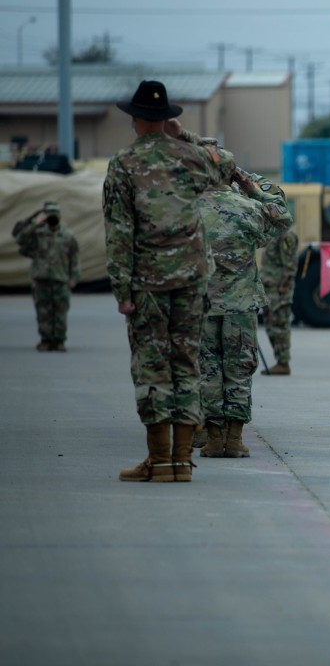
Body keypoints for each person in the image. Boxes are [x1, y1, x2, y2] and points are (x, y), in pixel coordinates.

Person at [105, 80, 218, 482]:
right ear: (167, 118)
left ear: (135, 119)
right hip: (191, 280)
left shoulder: (123, 163)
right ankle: (183, 462)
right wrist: (182, 136)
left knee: (152, 368)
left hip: (147, 284)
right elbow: (223, 169)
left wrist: (122, 289)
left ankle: (160, 459)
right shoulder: (191, 157)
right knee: (186, 364)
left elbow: (119, 230)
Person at [196, 147, 292, 458]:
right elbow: (283, 218)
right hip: (241, 305)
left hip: (203, 304)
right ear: (231, 174)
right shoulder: (246, 208)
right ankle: (234, 439)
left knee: (208, 368)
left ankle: (212, 438)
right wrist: (252, 189)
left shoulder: (190, 209)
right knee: (238, 368)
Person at [13, 200, 79, 352]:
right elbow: (20, 240)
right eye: (49, 214)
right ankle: (45, 340)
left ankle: (60, 341)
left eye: (54, 214)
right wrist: (35, 224)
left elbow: (74, 259)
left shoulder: (67, 235)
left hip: (60, 278)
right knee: (43, 312)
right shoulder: (38, 233)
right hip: (40, 278)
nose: (52, 217)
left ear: (60, 216)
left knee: (60, 312)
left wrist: (73, 278)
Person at [259, 221, 297, 375]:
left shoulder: (285, 235)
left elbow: (290, 264)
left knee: (280, 325)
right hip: (270, 286)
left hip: (279, 288)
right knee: (270, 324)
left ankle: (283, 362)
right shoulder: (273, 234)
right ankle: (279, 360)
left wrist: (284, 284)